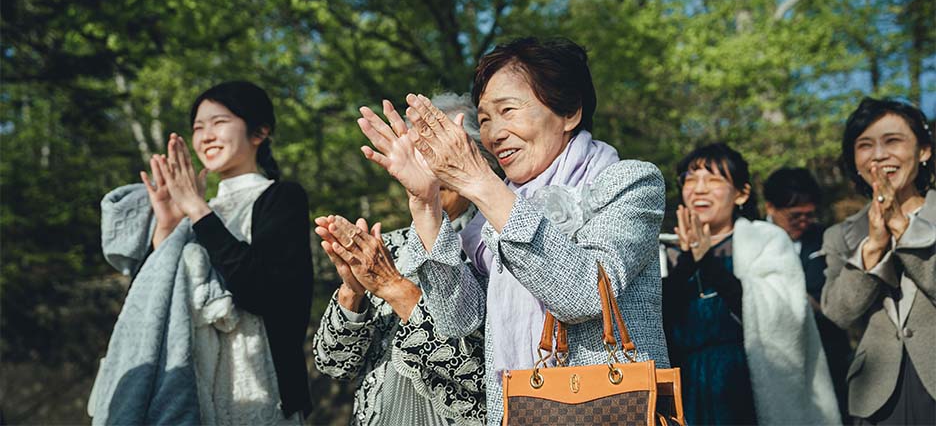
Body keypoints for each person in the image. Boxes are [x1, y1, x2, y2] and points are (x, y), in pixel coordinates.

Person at [330, 37, 669, 424]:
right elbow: (458, 321)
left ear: (570, 111)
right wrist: (425, 203)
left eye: (508, 110)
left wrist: (480, 181)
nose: (494, 134)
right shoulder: (488, 219)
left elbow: (584, 296)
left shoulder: (631, 182)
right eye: (486, 119)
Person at [90, 81, 313, 424]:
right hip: (191, 393)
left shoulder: (281, 198)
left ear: (260, 132)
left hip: (261, 397)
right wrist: (167, 227)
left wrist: (196, 209)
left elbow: (263, 292)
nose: (206, 136)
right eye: (198, 127)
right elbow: (153, 309)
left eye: (219, 122)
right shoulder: (198, 212)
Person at [312, 93, 488, 426]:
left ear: (479, 157)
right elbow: (333, 364)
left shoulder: (491, 248)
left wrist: (394, 287)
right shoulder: (385, 249)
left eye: (440, 152)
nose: (428, 168)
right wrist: (352, 291)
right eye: (418, 153)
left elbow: (479, 371)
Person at [662, 143, 838, 425]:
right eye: (690, 180)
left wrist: (706, 259)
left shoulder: (766, 240)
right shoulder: (664, 253)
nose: (699, 189)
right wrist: (688, 261)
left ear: (741, 193)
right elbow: (658, 322)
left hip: (746, 389)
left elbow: (783, 318)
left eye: (713, 180)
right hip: (686, 390)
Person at [821, 97, 935, 425]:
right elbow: (838, 313)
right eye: (865, 145)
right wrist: (873, 248)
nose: (879, 155)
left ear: (924, 151)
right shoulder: (841, 234)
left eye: (893, 141)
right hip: (875, 396)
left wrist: (903, 229)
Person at [764, 167, 850, 419]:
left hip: (826, 352)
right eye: (795, 216)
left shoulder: (825, 239)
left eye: (809, 215)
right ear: (771, 208)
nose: (803, 222)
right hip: (773, 359)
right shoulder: (751, 239)